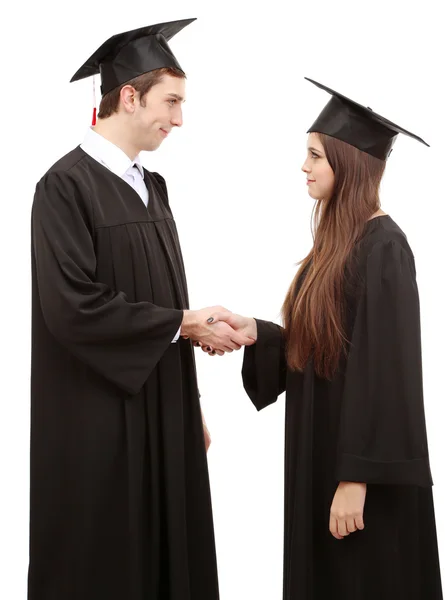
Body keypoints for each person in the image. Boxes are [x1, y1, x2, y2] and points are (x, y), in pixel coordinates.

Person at [29, 19, 253, 600]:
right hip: (97, 420)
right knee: (107, 560)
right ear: (129, 96)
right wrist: (181, 323)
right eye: (171, 102)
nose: (179, 119)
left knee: (166, 557)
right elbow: (72, 307)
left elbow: (167, 300)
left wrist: (189, 398)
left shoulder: (153, 186)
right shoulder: (64, 187)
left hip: (163, 407)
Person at [203, 78, 443, 599]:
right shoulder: (338, 243)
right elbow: (329, 347)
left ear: (348, 161)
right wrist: (260, 334)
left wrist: (356, 478)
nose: (304, 167)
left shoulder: (385, 247)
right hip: (326, 460)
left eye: (315, 155)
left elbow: (388, 370)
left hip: (360, 480)